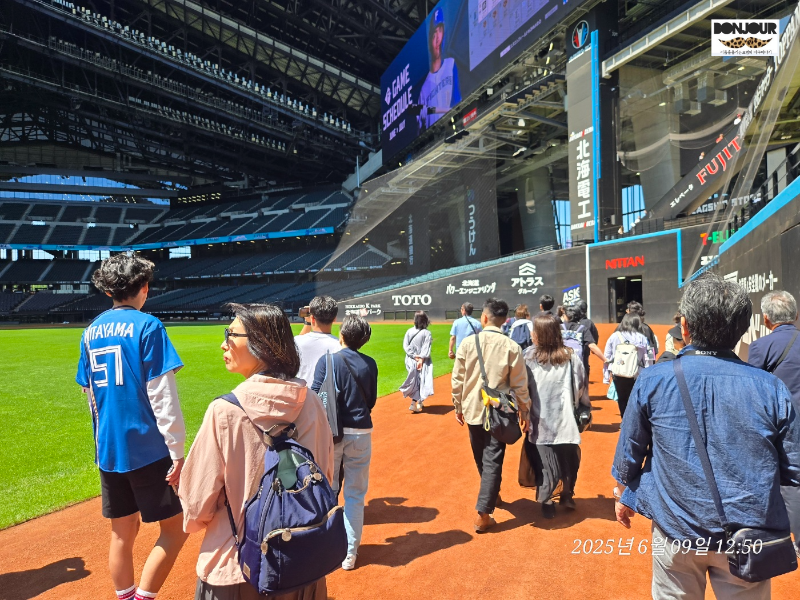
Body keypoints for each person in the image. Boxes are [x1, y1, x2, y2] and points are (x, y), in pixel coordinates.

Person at [612, 274, 800, 599]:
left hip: (676, 531)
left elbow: (630, 450)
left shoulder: (653, 379)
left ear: (684, 327)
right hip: (748, 536)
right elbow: (793, 469)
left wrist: (624, 491)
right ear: (743, 328)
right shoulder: (771, 388)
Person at [180, 304, 333, 599]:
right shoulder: (312, 402)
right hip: (302, 563)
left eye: (230, 333)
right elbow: (324, 477)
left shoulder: (223, 412)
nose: (223, 343)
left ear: (261, 345)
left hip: (236, 568)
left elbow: (196, 508)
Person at [75, 254, 187, 600]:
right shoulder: (149, 326)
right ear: (144, 288)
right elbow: (162, 393)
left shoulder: (91, 330)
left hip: (108, 447)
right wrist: (178, 451)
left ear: (109, 290)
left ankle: (125, 596)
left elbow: (89, 393)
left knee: (122, 532)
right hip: (148, 447)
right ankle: (143, 597)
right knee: (176, 529)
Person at [451, 298, 530, 533]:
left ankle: (484, 512)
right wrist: (524, 409)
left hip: (474, 408)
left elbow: (457, 379)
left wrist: (457, 405)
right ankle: (489, 500)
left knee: (483, 457)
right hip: (499, 411)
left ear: (484, 318)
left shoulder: (466, 344)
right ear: (505, 320)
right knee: (491, 458)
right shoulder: (511, 347)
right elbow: (520, 384)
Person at [311, 315, 377, 571]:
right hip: (361, 432)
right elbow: (370, 400)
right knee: (355, 495)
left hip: (331, 434)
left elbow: (316, 397)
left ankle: (325, 547)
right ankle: (350, 553)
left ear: (341, 334)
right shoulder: (370, 363)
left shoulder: (327, 360)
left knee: (327, 490)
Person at [747, 290, 800, 556]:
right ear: (796, 316)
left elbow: (752, 390)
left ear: (766, 320)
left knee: (788, 480)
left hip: (777, 424)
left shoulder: (760, 346)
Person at [524, 314, 591, 518]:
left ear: (540, 335)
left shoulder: (528, 356)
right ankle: (567, 494)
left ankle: (547, 500)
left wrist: (524, 412)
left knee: (546, 462)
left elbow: (521, 388)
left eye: (534, 331)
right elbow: (580, 385)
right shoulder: (571, 356)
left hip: (539, 420)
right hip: (566, 419)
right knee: (569, 459)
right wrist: (582, 405)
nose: (531, 334)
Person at [417, 7, 460, 132]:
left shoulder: (451, 65)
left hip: (454, 133)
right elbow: (420, 131)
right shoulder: (423, 90)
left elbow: (459, 103)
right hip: (436, 147)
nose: (437, 38)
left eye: (440, 30)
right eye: (433, 33)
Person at [603, 313, 652, 417]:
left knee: (622, 398)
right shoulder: (642, 338)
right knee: (634, 398)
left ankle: (624, 420)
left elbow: (607, 356)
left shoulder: (614, 336)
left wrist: (606, 376)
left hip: (618, 372)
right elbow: (648, 357)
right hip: (636, 373)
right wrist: (649, 370)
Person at [294, 295, 341, 385]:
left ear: (312, 318)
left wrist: (307, 323)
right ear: (334, 318)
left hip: (302, 395)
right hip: (327, 397)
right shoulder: (340, 345)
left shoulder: (297, 341)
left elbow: (297, 344)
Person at [562, 304, 606, 389]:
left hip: (561, 362)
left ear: (566, 316)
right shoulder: (583, 329)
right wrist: (605, 359)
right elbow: (592, 345)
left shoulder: (558, 327)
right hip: (579, 361)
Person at [402, 311, 434, 412]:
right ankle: (413, 403)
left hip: (410, 360)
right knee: (420, 380)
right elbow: (426, 349)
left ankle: (419, 402)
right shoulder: (427, 333)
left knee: (416, 380)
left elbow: (406, 346)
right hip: (422, 360)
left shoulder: (409, 331)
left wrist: (414, 356)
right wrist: (420, 359)